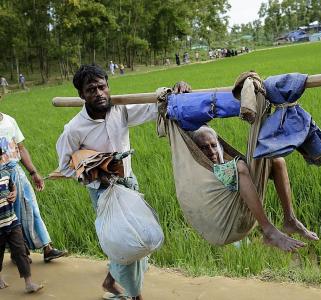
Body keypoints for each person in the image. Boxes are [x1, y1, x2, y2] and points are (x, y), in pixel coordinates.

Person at [56, 64, 190, 300]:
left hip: (129, 184)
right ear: (81, 95)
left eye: (102, 86)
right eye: (91, 89)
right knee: (127, 242)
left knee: (138, 237)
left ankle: (111, 280)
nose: (98, 93)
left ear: (108, 87)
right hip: (104, 193)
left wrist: (174, 91)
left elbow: (156, 107)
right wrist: (97, 172)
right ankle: (134, 295)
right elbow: (66, 166)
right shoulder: (74, 129)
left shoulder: (121, 111)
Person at [191, 126, 319, 252]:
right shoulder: (204, 171)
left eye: (213, 145)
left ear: (219, 146)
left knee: (277, 160)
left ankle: (290, 220)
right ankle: (268, 229)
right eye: (204, 147)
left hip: (241, 211)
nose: (211, 151)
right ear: (196, 151)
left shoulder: (226, 165)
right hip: (224, 222)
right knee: (240, 166)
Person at [0, 112, 67, 264]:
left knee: (32, 207)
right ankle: (18, 251)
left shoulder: (10, 121)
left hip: (16, 171)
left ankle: (47, 248)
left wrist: (33, 172)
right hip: (0, 177)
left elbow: (21, 148)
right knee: (9, 215)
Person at [0, 167, 43, 294]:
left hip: (11, 220)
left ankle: (29, 283)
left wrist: (14, 193)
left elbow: (12, 187)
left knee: (20, 251)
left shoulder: (5, 173)